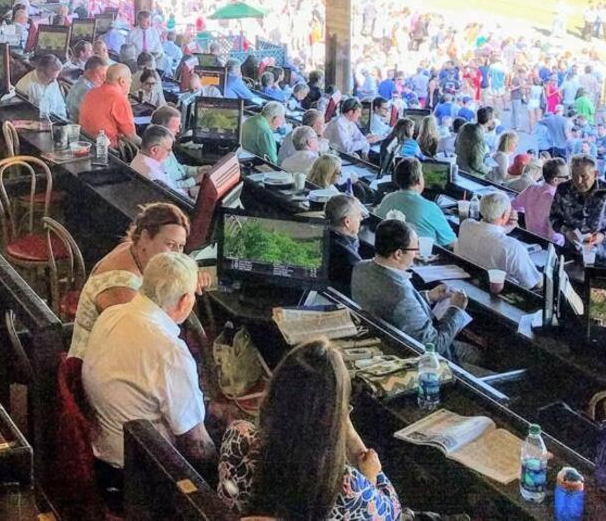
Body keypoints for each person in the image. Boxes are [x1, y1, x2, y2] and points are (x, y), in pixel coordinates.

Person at [217, 339, 401, 519]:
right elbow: (392, 513)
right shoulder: (348, 487)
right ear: (335, 416)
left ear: (273, 393)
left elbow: (227, 495)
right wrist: (370, 473)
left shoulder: (237, 439)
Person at [82, 252, 214, 480]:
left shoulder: (111, 314)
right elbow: (197, 446)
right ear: (185, 301)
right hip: (141, 475)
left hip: (102, 455)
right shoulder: (170, 352)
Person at [69, 203, 190, 359]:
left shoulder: (132, 248)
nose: (176, 255)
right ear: (146, 237)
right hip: (92, 370)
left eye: (180, 246)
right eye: (170, 244)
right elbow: (145, 344)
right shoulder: (123, 288)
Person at [352, 219, 471, 359]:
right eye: (414, 249)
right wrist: (456, 310)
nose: (416, 254)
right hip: (421, 359)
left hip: (385, 340)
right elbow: (434, 346)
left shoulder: (360, 268)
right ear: (398, 254)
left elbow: (393, 309)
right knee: (481, 355)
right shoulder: (401, 296)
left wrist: (427, 296)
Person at [455, 192, 540, 290]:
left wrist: (505, 228)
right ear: (504, 215)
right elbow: (533, 283)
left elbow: (487, 233)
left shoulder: (466, 225)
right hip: (501, 292)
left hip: (470, 283)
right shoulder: (512, 247)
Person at [374, 157, 456, 248]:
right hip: (424, 259)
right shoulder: (430, 208)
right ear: (418, 180)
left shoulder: (387, 199)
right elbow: (452, 242)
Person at [549, 154, 606, 250]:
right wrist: (567, 232)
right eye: (574, 176)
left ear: (595, 174)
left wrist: (602, 235)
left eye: (584, 176)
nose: (579, 181)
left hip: (600, 249)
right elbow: (553, 217)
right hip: (572, 245)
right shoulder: (563, 189)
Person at [150, 105, 210, 194]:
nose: (178, 131)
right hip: (180, 193)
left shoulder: (166, 144)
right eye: (174, 127)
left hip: (185, 186)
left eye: (179, 126)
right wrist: (195, 180)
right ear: (161, 129)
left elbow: (179, 169)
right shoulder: (158, 153)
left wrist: (198, 170)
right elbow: (170, 187)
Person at [79, 63, 139, 148]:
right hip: (110, 151)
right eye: (130, 79)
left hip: (86, 142)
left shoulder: (92, 92)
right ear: (122, 81)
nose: (131, 82)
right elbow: (132, 137)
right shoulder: (119, 100)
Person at [512, 158, 567, 246]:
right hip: (551, 247)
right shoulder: (557, 200)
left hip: (530, 238)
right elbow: (555, 236)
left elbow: (513, 205)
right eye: (566, 177)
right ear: (555, 180)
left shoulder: (531, 188)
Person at [129, 125, 189, 196]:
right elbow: (178, 198)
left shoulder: (140, 160)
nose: (169, 154)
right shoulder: (154, 175)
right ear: (154, 150)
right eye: (168, 150)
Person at [325, 194, 364, 284]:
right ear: (347, 222)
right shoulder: (350, 259)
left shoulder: (317, 235)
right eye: (358, 215)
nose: (361, 218)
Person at [14, 53, 67, 119]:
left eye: (55, 78)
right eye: (51, 78)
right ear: (41, 72)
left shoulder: (52, 79)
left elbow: (60, 105)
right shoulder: (24, 86)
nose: (54, 81)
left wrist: (63, 119)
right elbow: (20, 115)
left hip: (55, 120)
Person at [65, 55, 108, 122]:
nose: (104, 79)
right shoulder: (86, 90)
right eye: (101, 75)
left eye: (105, 76)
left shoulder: (81, 84)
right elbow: (97, 118)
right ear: (88, 72)